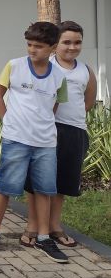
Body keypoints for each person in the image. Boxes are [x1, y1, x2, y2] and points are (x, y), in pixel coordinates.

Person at [0, 22, 69, 262]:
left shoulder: (60, 76)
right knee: (5, 186)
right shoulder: (14, 66)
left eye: (38, 46)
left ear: (52, 48)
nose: (32, 50)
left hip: (46, 142)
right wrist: (7, 120)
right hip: (16, 139)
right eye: (29, 45)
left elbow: (56, 104)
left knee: (44, 189)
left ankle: (44, 237)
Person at [21, 21, 96, 249]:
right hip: (45, 130)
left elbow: (89, 100)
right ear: (55, 45)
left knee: (61, 183)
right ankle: (33, 226)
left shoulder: (85, 70)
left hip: (74, 132)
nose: (72, 47)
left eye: (77, 42)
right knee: (36, 183)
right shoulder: (46, 65)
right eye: (66, 42)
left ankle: (54, 227)